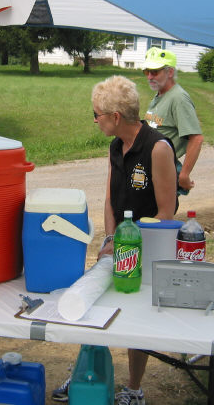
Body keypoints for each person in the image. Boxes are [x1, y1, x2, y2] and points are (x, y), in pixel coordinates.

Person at [52, 75, 178, 405]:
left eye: (97, 115)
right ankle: (87, 374)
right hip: (118, 245)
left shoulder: (158, 148)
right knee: (93, 305)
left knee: (137, 321)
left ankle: (134, 388)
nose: (95, 120)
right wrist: (110, 239)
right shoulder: (115, 146)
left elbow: (167, 213)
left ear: (115, 117)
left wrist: (133, 248)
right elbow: (110, 198)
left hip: (148, 250)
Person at [142, 47, 203, 194]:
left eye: (155, 72)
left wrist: (184, 175)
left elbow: (196, 138)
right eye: (147, 72)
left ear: (169, 72)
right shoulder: (160, 94)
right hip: (151, 170)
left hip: (165, 172)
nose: (150, 76)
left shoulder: (178, 98)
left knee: (159, 216)